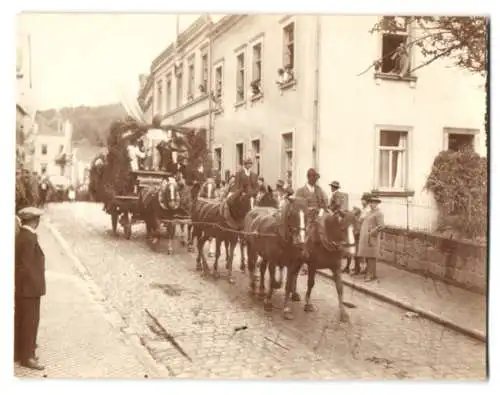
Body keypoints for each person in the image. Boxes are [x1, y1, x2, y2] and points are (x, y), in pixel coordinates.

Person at [15, 207, 46, 370]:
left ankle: (20, 353)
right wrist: (35, 286)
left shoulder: (24, 236)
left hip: (25, 288)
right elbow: (26, 267)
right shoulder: (28, 238)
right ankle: (28, 357)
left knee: (23, 321)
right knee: (30, 322)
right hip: (29, 289)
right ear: (34, 221)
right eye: (38, 219)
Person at [357, 196, 385, 282]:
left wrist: (373, 232)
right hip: (366, 237)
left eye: (375, 202)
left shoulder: (379, 213)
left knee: (372, 256)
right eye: (372, 202)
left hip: (373, 237)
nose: (373, 204)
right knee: (368, 255)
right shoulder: (369, 213)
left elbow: (382, 226)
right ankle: (369, 272)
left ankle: (371, 275)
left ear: (378, 204)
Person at [344, 192, 371, 274]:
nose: (361, 202)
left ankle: (360, 269)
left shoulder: (368, 210)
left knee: (360, 251)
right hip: (359, 232)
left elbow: (361, 220)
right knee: (357, 251)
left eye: (363, 200)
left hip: (363, 232)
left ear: (366, 201)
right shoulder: (364, 209)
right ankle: (358, 268)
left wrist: (354, 217)